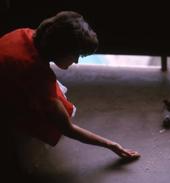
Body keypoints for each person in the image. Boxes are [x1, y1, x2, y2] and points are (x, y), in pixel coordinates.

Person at [0, 11, 140, 160]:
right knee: (49, 117)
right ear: (61, 49)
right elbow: (67, 128)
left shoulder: (24, 33)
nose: (77, 62)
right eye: (75, 55)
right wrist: (111, 145)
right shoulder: (36, 75)